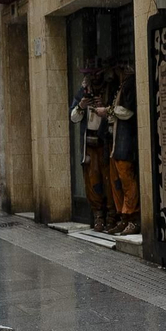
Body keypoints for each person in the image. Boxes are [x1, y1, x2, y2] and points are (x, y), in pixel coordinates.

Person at [97, 58, 141, 237]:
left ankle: (132, 217)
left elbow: (128, 111)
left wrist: (108, 111)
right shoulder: (120, 86)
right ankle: (123, 216)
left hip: (124, 142)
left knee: (126, 180)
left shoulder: (129, 85)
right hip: (116, 142)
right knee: (117, 182)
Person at [70, 59, 114, 232]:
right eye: (89, 74)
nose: (93, 78)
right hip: (89, 145)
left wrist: (104, 107)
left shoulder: (109, 90)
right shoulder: (82, 93)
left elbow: (114, 113)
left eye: (95, 74)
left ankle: (111, 215)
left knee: (108, 180)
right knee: (92, 180)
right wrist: (81, 105)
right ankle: (98, 216)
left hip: (104, 141)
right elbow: (73, 117)